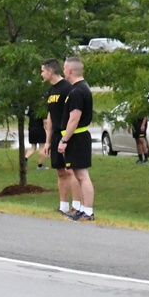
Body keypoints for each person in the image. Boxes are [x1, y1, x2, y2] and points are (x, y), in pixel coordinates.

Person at [40, 59, 81, 216]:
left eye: (43, 71)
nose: (41, 74)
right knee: (60, 171)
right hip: (56, 135)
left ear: (50, 71)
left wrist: (66, 137)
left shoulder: (67, 88)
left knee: (72, 171)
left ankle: (76, 207)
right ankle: (63, 206)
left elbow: (73, 114)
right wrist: (48, 141)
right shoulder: (52, 90)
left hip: (67, 135)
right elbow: (50, 115)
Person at [57, 57, 95, 221]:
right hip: (77, 136)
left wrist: (64, 140)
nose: (63, 71)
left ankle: (88, 211)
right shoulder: (80, 88)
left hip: (77, 137)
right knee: (78, 174)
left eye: (64, 68)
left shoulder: (78, 91)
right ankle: (83, 209)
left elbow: (74, 118)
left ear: (70, 71)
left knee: (82, 174)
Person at [24, 103, 46, 169]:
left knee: (33, 147)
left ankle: (25, 159)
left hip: (31, 129)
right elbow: (45, 122)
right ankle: (40, 165)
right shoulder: (41, 110)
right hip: (39, 129)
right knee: (42, 147)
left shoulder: (31, 108)